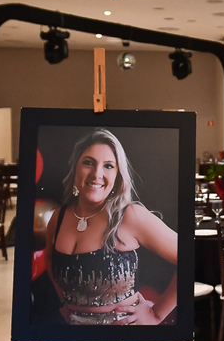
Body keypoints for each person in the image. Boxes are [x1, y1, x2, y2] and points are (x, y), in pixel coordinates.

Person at [43, 129, 178, 325]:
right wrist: (64, 300)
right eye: (88, 162)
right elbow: (49, 257)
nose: (97, 174)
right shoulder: (58, 217)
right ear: (75, 168)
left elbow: (188, 256)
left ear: (117, 176)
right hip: (73, 333)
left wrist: (156, 314)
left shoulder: (129, 216)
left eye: (108, 166)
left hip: (123, 335)